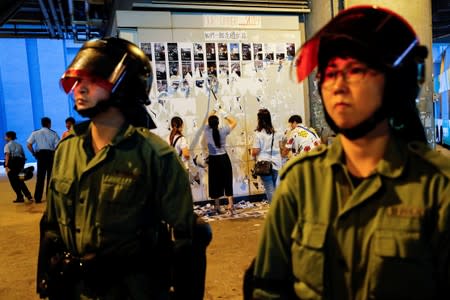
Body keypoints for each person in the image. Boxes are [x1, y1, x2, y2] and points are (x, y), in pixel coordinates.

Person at [252, 6, 450, 299]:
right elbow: (268, 288)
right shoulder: (301, 181)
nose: (338, 86)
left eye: (356, 70)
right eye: (330, 72)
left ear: (395, 82)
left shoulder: (437, 187)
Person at [36, 37, 195, 299]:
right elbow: (51, 228)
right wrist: (45, 280)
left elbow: (186, 239)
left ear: (125, 86)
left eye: (94, 80)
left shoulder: (156, 157)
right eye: (79, 79)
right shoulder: (67, 151)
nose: (80, 88)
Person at [203, 109, 237, 214]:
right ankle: (230, 204)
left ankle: (217, 206)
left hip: (213, 160)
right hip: (223, 158)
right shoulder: (223, 131)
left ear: (210, 124)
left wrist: (213, 111)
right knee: (227, 180)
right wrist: (225, 114)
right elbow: (234, 122)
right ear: (218, 123)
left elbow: (206, 121)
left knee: (215, 182)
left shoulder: (207, 131)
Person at [251, 108, 283, 203]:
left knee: (269, 188)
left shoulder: (258, 134)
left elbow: (255, 151)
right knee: (276, 187)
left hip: (264, 164)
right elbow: (281, 147)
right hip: (277, 163)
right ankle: (279, 209)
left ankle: (274, 210)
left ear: (259, 120)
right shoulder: (276, 132)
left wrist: (252, 152)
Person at [27, 117, 60, 203]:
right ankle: (50, 197)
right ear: (49, 124)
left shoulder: (35, 133)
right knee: (50, 177)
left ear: (42, 123)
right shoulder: (54, 133)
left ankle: (38, 198)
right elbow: (58, 146)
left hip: (40, 156)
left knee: (40, 177)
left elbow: (29, 145)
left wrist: (33, 153)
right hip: (50, 155)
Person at [4, 131, 33, 203]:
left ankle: (20, 197)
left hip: (12, 165)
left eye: (6, 136)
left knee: (13, 181)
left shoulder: (7, 145)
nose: (5, 138)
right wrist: (22, 166)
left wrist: (6, 166)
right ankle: (28, 195)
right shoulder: (19, 145)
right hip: (20, 164)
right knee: (21, 180)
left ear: (9, 137)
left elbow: (7, 155)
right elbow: (23, 156)